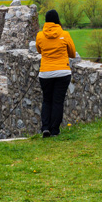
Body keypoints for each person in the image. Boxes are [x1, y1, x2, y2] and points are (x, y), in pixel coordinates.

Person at [36, 9, 76, 137]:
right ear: (57, 20)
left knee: (47, 100)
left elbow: (39, 50)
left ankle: (45, 128)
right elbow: (73, 53)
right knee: (58, 101)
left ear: (46, 21)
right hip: (63, 72)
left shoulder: (40, 36)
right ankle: (55, 130)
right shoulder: (65, 34)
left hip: (45, 73)